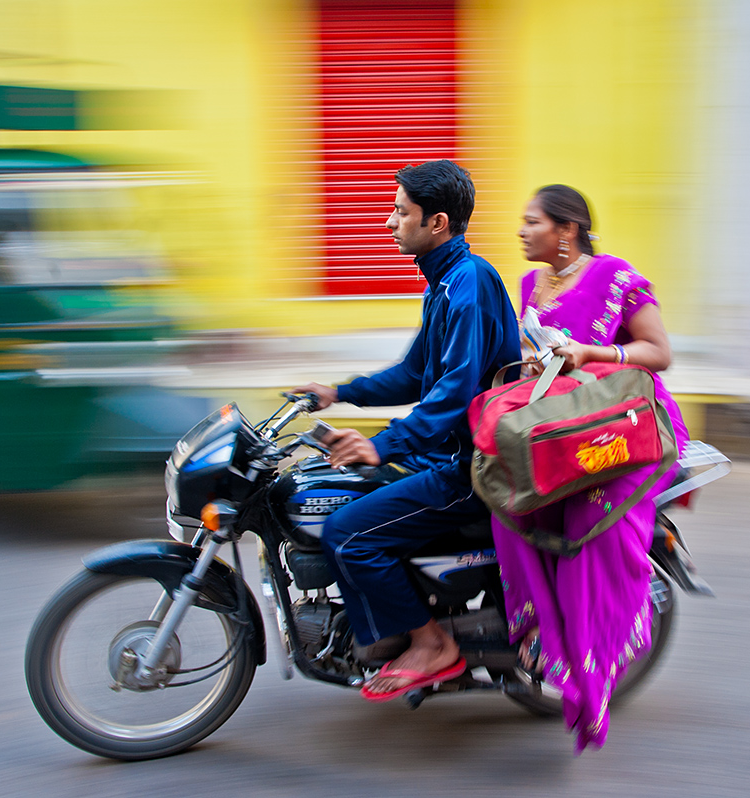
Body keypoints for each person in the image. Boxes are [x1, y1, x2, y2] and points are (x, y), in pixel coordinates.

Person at [294, 160, 520, 701]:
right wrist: (340, 393)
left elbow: (454, 394)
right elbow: (416, 373)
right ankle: (386, 630)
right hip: (443, 456)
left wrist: (380, 444)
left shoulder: (469, 284)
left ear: (437, 222)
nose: (388, 221)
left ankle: (431, 644)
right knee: (330, 491)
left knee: (348, 533)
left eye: (401, 211)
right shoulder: (445, 283)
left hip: (468, 469)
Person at [494, 184, 689, 751]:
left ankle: (591, 666)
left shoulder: (616, 276)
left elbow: (659, 353)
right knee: (507, 503)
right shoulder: (532, 284)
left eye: (532, 222)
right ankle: (541, 636)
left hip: (621, 429)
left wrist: (592, 353)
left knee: (586, 529)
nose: (522, 231)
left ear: (567, 230)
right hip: (561, 422)